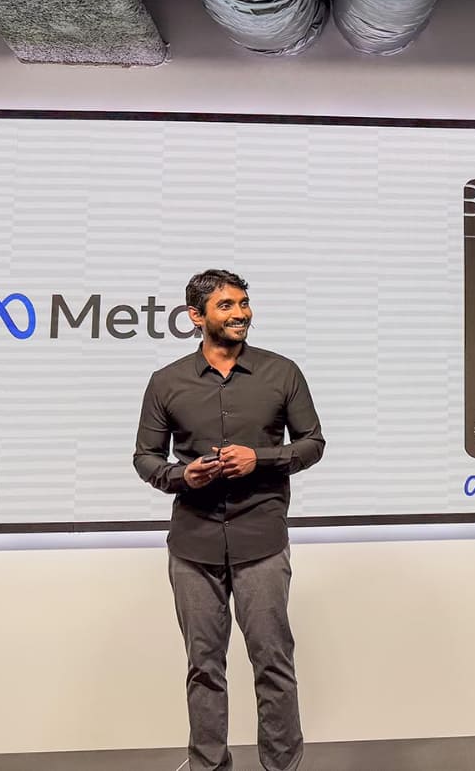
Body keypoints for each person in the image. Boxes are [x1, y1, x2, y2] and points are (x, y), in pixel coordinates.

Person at [133, 269, 325, 771]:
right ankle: (208, 765)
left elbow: (312, 444)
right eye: (226, 305)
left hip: (261, 539)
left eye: (243, 303)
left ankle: (282, 766)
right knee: (204, 667)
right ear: (196, 316)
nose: (241, 313)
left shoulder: (282, 373)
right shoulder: (166, 382)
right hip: (193, 545)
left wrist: (260, 458)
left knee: (273, 662)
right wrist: (183, 475)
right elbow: (145, 458)